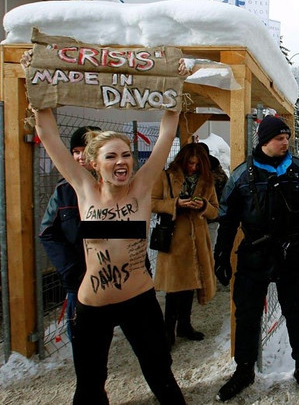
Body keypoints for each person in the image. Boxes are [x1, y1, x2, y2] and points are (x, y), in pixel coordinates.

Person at [29, 51, 189, 404]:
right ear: (94, 164)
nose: (122, 161)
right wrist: (36, 79)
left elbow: (167, 132)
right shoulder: (84, 189)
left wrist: (175, 85)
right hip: (92, 306)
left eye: (126, 154)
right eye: (111, 156)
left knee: (161, 376)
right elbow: (47, 133)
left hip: (140, 302)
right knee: (89, 387)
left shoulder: (142, 187)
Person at [214, 115, 299, 402]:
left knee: (297, 313)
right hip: (254, 255)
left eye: (287, 138)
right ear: (264, 141)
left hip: (291, 255)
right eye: (279, 138)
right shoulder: (241, 176)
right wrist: (220, 256)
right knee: (247, 315)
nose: (285, 142)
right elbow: (227, 220)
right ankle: (244, 370)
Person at [152, 142, 219, 350]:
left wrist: (203, 205)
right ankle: (168, 331)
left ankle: (184, 325)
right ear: (182, 161)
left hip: (197, 240)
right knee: (174, 288)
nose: (193, 168)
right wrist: (176, 204)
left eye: (197, 164)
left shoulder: (207, 181)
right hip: (175, 239)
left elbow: (216, 210)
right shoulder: (166, 176)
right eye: (190, 163)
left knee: (191, 285)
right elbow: (152, 202)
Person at [39, 125, 101, 342]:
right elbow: (47, 233)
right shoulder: (64, 191)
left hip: (113, 275)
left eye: (86, 150)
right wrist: (71, 271)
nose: (80, 157)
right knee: (81, 337)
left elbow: (132, 229)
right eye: (75, 151)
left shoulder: (116, 187)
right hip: (79, 279)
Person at [199, 142, 228, 248]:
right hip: (209, 217)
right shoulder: (217, 171)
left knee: (208, 248)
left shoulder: (214, 174)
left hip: (211, 217)